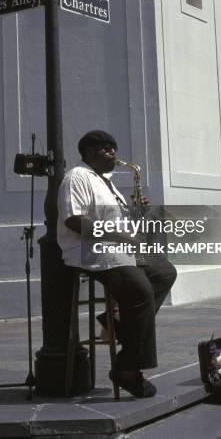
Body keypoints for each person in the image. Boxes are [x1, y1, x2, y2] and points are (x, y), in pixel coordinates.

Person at [57, 130, 177, 398]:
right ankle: (129, 370)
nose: (114, 154)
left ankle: (115, 323)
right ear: (88, 152)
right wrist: (119, 236)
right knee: (140, 290)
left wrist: (137, 213)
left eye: (114, 148)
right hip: (90, 251)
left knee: (164, 272)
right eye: (106, 149)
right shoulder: (77, 177)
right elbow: (73, 220)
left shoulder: (107, 183)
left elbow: (122, 226)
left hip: (117, 249)